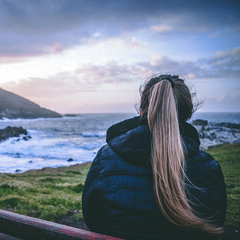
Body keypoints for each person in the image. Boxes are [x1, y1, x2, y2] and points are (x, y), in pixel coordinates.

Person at [82, 75, 226, 240]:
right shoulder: (208, 167)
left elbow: (93, 220)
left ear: (142, 109)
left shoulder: (105, 159)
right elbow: (216, 222)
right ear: (187, 113)